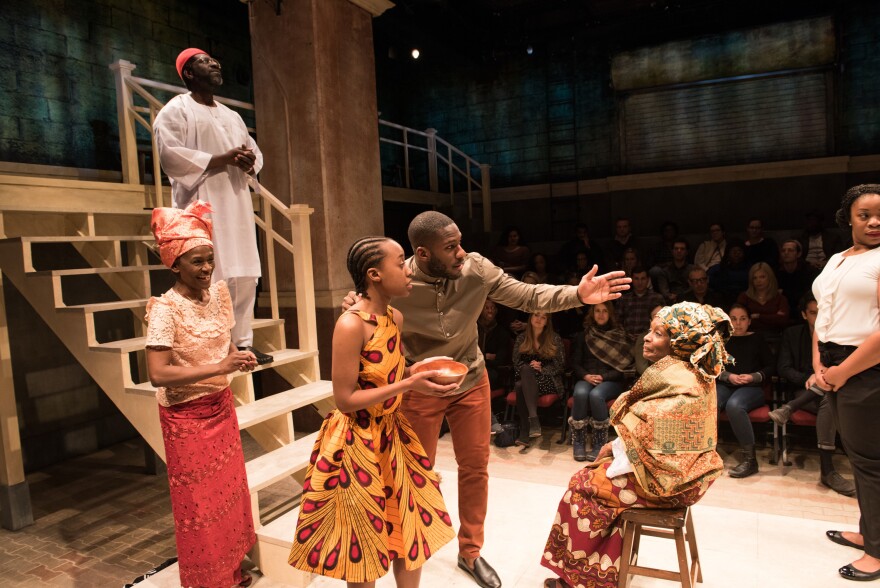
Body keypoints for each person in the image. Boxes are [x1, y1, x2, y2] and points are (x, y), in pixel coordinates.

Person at [343, 211, 631, 588]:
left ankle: (470, 551)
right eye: (450, 248)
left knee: (475, 468)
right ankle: (408, 550)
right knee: (414, 476)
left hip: (471, 379)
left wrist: (577, 294)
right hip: (419, 387)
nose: (462, 252)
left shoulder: (475, 268)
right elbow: (369, 310)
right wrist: (361, 299)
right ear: (423, 254)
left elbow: (527, 295)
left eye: (460, 242)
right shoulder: (401, 281)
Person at [289, 236, 456, 586]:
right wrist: (409, 385)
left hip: (394, 434)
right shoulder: (351, 325)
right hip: (357, 441)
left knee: (410, 527)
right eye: (400, 262)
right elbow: (345, 399)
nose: (408, 269)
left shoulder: (394, 315)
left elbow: (384, 371)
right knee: (363, 540)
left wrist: (413, 372)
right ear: (374, 274)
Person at [541, 302, 728, 588]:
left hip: (670, 482)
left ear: (678, 342)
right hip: (683, 475)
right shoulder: (686, 371)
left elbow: (653, 438)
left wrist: (614, 451)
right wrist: (617, 449)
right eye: (650, 331)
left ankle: (581, 580)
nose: (648, 338)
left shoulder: (681, 381)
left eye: (658, 333)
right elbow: (652, 433)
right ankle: (601, 574)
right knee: (601, 473)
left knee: (582, 486)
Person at [145, 201, 258, 588]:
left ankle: (231, 568)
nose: (207, 268)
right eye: (197, 261)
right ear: (175, 264)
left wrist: (236, 358)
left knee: (228, 495)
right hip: (186, 418)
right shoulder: (164, 310)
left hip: (220, 408)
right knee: (200, 506)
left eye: (210, 259)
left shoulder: (219, 296)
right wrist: (221, 368)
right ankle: (210, 581)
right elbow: (158, 374)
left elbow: (221, 346)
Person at [153, 48, 273, 364]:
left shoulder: (231, 115)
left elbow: (255, 153)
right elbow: (171, 156)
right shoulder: (174, 111)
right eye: (205, 62)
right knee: (211, 272)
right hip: (201, 204)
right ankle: (215, 347)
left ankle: (243, 343)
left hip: (235, 201)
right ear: (188, 73)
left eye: (215, 61)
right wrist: (220, 159)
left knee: (245, 273)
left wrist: (249, 162)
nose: (215, 64)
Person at [813, 184, 880, 581]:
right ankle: (868, 531)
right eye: (865, 215)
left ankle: (877, 551)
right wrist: (820, 363)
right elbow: (822, 315)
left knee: (872, 464)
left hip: (865, 368)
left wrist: (842, 371)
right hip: (837, 364)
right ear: (848, 218)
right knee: (859, 458)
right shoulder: (838, 259)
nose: (874, 222)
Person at [767, 294, 855, 496]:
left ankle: (789, 409)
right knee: (829, 398)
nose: (818, 317)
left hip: (832, 389)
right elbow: (784, 368)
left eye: (822, 312)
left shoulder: (836, 335)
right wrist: (807, 378)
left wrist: (821, 377)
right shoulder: (792, 334)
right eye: (813, 313)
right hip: (801, 389)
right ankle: (827, 471)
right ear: (804, 315)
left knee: (828, 400)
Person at [568, 302, 633, 462]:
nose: (601, 314)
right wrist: (586, 376)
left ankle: (599, 442)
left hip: (610, 379)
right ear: (592, 313)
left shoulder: (618, 335)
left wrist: (603, 376)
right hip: (587, 377)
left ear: (610, 314)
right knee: (581, 392)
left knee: (596, 395)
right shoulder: (584, 335)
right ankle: (579, 440)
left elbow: (622, 368)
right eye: (597, 311)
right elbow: (575, 363)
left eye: (605, 311)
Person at [716, 304, 776, 478]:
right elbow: (712, 366)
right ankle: (707, 454)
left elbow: (772, 366)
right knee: (711, 403)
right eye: (733, 319)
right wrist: (728, 376)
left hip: (752, 387)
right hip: (727, 384)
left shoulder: (757, 339)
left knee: (734, 405)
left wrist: (753, 376)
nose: (738, 323)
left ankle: (750, 460)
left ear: (749, 321)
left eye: (742, 319)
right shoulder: (722, 339)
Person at [512, 312, 565, 445]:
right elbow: (516, 363)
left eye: (543, 317)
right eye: (536, 315)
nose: (539, 319)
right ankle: (533, 420)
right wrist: (530, 367)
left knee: (520, 386)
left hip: (548, 379)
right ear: (530, 318)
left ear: (547, 321)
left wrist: (542, 369)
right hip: (526, 379)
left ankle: (526, 429)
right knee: (524, 371)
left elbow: (560, 365)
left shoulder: (554, 338)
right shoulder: (521, 338)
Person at [478, 299, 512, 435]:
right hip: (474, 369)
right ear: (481, 310)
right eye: (487, 308)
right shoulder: (473, 328)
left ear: (496, 311)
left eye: (492, 308)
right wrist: (486, 356)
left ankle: (490, 420)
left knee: (482, 376)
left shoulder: (502, 332)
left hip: (494, 372)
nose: (490, 310)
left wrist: (481, 357)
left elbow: (500, 359)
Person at [735, 262, 790, 334]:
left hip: (775, 337)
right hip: (749, 336)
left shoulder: (780, 298)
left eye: (762, 277)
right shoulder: (744, 297)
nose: (758, 281)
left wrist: (758, 316)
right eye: (755, 278)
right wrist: (774, 316)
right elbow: (739, 320)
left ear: (770, 278)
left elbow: (782, 321)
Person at [617, 267, 665, 341]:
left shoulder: (657, 298)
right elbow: (618, 321)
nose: (640, 282)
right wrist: (624, 336)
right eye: (636, 279)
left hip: (649, 340)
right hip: (626, 340)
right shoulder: (624, 299)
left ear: (648, 279)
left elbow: (663, 323)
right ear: (632, 279)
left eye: (643, 279)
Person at [777, 240, 819, 319]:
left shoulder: (809, 271)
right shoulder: (776, 272)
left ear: (798, 254)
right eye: (783, 250)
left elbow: (809, 293)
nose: (786, 253)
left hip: (803, 307)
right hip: (784, 308)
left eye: (790, 250)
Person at [649, 238, 693, 303]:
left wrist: (679, 297)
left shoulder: (693, 270)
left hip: (689, 301)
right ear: (672, 251)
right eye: (676, 248)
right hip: (670, 302)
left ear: (686, 252)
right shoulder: (664, 271)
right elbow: (664, 291)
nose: (679, 251)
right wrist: (671, 297)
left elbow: (693, 288)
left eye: (682, 249)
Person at [708, 239, 749, 306]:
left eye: (739, 251)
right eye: (734, 251)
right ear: (728, 253)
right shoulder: (718, 269)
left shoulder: (750, 269)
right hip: (723, 300)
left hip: (745, 300)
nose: (737, 254)